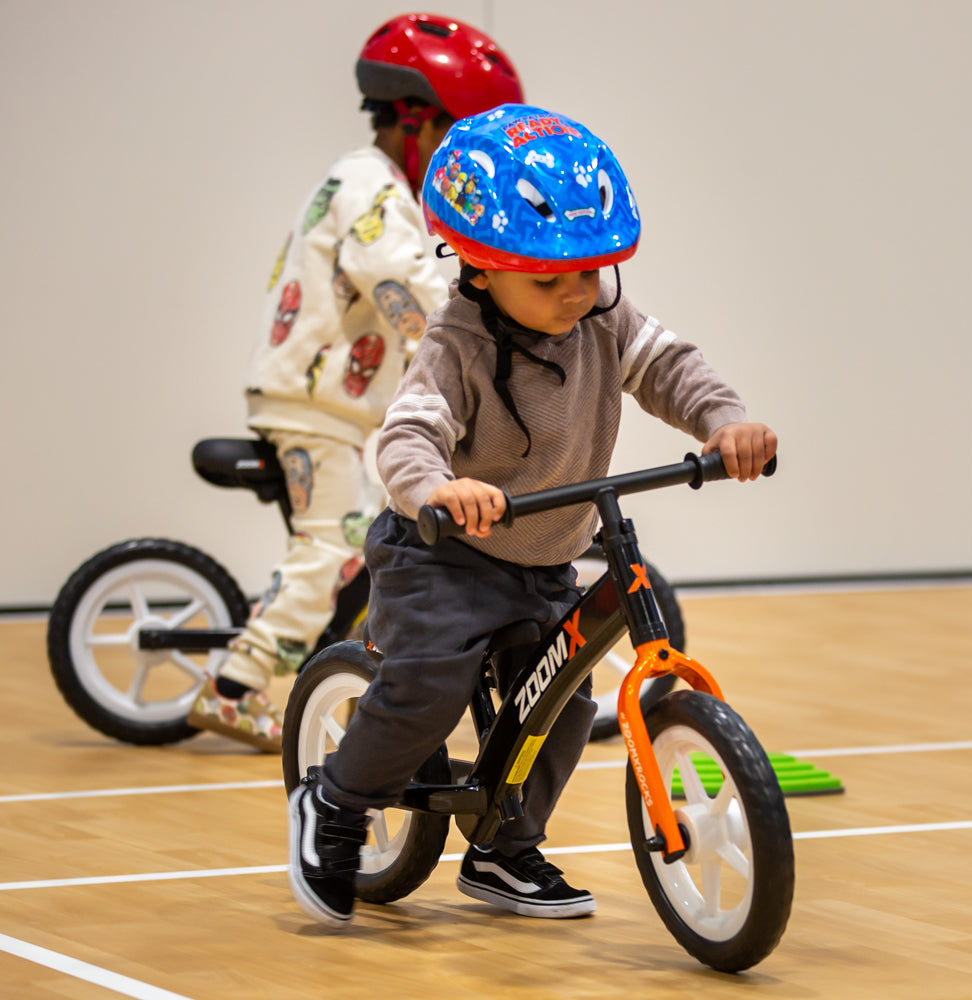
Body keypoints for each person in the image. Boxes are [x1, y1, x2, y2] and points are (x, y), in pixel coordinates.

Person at [286, 104, 777, 928]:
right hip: (442, 555)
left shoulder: (601, 316)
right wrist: (439, 488)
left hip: (546, 552)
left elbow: (670, 368)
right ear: (479, 266)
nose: (576, 295)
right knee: (427, 687)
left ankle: (502, 849)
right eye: (549, 279)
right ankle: (334, 803)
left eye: (590, 271)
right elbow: (408, 434)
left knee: (565, 702)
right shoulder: (456, 345)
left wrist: (723, 421)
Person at [188, 14, 525, 752]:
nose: (466, 162)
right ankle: (234, 685)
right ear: (416, 123)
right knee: (334, 544)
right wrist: (505, 339)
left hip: (335, 405)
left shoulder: (375, 186)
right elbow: (415, 298)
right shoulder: (372, 196)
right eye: (458, 139)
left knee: (378, 533)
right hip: (318, 409)